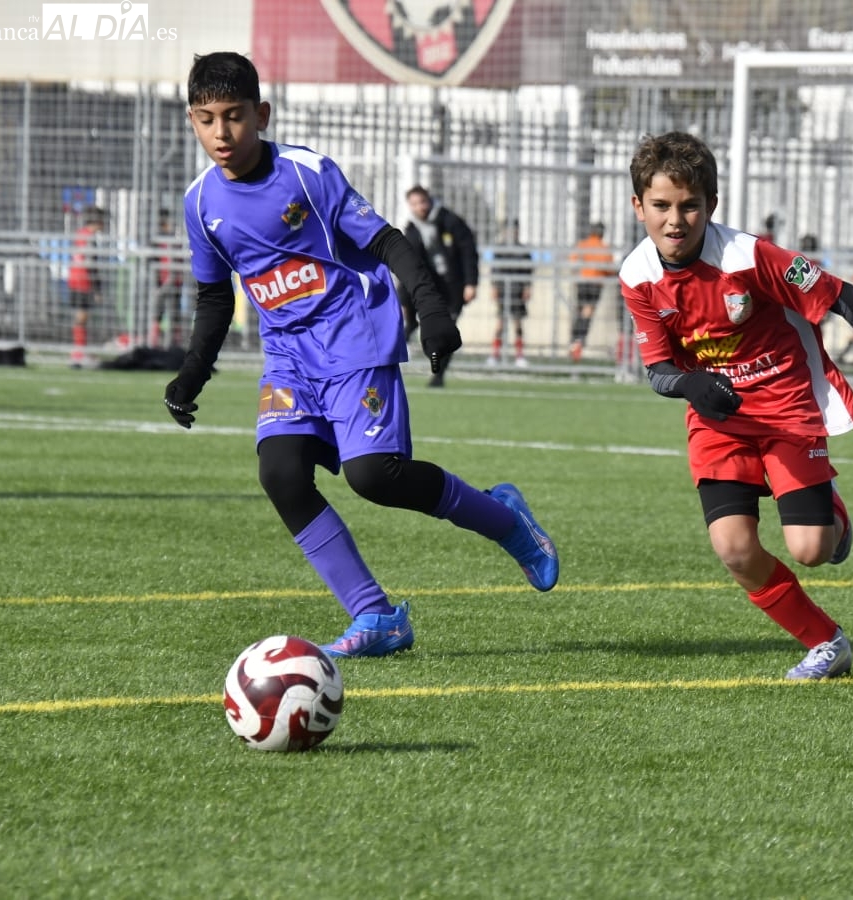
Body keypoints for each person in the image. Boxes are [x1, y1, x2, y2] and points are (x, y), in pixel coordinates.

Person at [163, 51, 558, 659]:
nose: (221, 132)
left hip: (354, 339)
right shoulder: (199, 203)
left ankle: (505, 519)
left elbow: (385, 239)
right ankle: (375, 616)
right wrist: (191, 373)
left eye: (235, 116)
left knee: (375, 478)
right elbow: (214, 298)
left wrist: (431, 308)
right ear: (192, 120)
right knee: (280, 473)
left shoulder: (305, 173)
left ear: (261, 114)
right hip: (289, 359)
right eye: (207, 118)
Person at [620, 131, 853, 682]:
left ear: (712, 205)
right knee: (733, 547)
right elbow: (657, 369)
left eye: (689, 206)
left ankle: (830, 509)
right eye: (660, 206)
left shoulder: (748, 255)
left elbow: (840, 294)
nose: (675, 220)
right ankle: (825, 641)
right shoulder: (637, 276)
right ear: (639, 207)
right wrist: (689, 386)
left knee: (811, 550)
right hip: (719, 422)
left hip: (785, 406)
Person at [401, 185, 479, 387]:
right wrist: (403, 299)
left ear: (429, 200)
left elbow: (468, 252)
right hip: (427, 290)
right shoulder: (411, 230)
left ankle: (438, 374)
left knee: (445, 332)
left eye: (423, 202)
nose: (420, 207)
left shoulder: (451, 222)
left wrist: (471, 283)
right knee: (406, 326)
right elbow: (408, 265)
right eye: (415, 204)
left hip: (453, 288)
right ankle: (386, 367)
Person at [567, 222, 616, 363]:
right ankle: (578, 339)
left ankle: (575, 339)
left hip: (582, 281)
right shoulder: (603, 248)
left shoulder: (583, 245)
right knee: (587, 312)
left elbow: (573, 262)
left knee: (581, 310)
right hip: (595, 283)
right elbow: (610, 269)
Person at [487, 219, 533, 368]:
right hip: (503, 290)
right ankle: (495, 355)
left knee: (517, 324)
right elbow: (494, 270)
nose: (512, 232)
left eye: (515, 229)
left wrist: (527, 288)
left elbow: (528, 271)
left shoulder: (523, 250)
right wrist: (494, 287)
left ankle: (519, 356)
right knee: (500, 323)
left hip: (517, 291)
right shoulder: (500, 249)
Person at [67, 206, 108, 368]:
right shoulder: (89, 237)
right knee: (82, 317)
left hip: (74, 278)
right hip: (83, 280)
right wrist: (97, 288)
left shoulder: (80, 234)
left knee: (80, 317)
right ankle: (79, 352)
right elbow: (91, 264)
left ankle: (79, 350)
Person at [149, 209, 185, 348]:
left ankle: (173, 344)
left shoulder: (174, 240)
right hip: (161, 283)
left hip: (175, 282)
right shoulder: (157, 241)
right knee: (158, 312)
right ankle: (155, 342)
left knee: (174, 313)